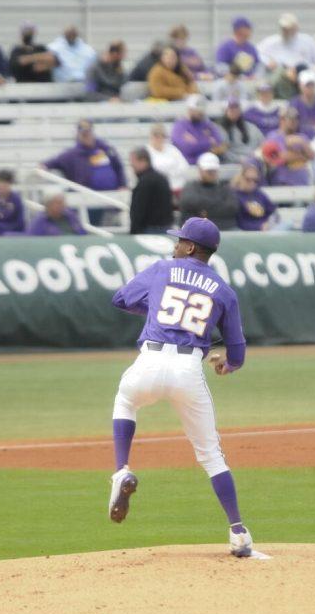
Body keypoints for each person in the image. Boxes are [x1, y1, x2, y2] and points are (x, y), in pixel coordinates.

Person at [107, 216, 253, 555]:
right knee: (211, 455)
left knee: (125, 402)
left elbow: (120, 299)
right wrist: (227, 365)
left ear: (190, 247)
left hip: (149, 361)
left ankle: (120, 470)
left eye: (179, 241)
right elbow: (238, 352)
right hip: (189, 369)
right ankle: (238, 532)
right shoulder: (224, 290)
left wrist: (157, 311)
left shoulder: (162, 269)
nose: (174, 246)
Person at [43, 120, 126, 191]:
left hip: (112, 195)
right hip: (86, 196)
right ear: (79, 135)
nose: (87, 137)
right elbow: (51, 163)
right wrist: (43, 166)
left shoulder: (105, 149)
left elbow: (118, 167)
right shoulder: (72, 154)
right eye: (84, 134)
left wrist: (123, 185)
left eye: (88, 133)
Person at [257, 13, 315, 99]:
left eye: (288, 29)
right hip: (281, 79)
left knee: (302, 69)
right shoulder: (271, 42)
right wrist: (268, 62)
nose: (286, 31)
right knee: (280, 73)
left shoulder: (307, 41)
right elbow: (257, 54)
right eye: (284, 29)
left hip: (302, 78)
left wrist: (313, 69)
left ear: (296, 28)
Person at [178, 153, 238, 227]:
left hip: (223, 227)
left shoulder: (225, 188)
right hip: (196, 229)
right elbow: (188, 202)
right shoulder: (190, 187)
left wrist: (205, 212)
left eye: (214, 170)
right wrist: (217, 204)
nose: (212, 173)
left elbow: (232, 208)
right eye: (208, 171)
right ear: (200, 170)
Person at [128, 147, 174, 234]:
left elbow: (139, 210)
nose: (131, 165)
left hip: (149, 230)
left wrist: (133, 232)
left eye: (133, 162)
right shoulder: (162, 178)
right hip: (165, 228)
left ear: (143, 161)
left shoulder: (145, 182)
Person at [264, 109, 315, 187]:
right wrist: (303, 156)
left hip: (302, 183)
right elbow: (281, 157)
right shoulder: (273, 137)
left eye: (296, 119)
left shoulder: (302, 137)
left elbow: (312, 156)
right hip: (282, 182)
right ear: (282, 120)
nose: (294, 121)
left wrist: (302, 143)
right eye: (290, 118)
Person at [171, 95, 225, 164]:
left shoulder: (207, 124)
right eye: (198, 110)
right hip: (189, 165)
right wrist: (209, 142)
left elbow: (218, 144)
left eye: (202, 110)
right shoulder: (180, 126)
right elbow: (187, 148)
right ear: (190, 109)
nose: (201, 113)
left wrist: (196, 143)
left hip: (208, 164)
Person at [231, 163, 277, 232]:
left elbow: (273, 212)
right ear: (240, 177)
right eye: (248, 179)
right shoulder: (233, 195)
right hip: (244, 232)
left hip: (266, 230)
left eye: (255, 180)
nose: (252, 183)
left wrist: (268, 224)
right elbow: (236, 220)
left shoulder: (259, 194)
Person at [147, 123, 191, 192]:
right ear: (151, 136)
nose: (159, 138)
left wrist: (169, 172)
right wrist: (171, 169)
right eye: (156, 136)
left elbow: (184, 166)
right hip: (156, 189)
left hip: (177, 187)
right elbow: (151, 170)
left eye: (162, 136)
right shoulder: (146, 151)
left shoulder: (172, 149)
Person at [217, 99, 263, 164]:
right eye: (231, 108)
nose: (234, 111)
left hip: (253, 160)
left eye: (236, 108)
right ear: (225, 111)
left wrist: (256, 155)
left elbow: (262, 143)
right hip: (230, 164)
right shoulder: (219, 129)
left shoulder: (251, 127)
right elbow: (222, 151)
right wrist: (240, 159)